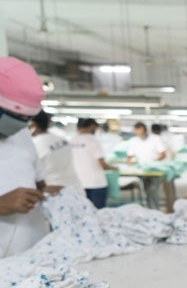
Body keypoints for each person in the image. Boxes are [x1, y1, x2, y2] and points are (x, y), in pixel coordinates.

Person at [0, 56, 59, 257]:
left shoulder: (21, 134)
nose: (20, 125)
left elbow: (38, 182)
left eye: (26, 119)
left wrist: (50, 194)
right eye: (13, 117)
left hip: (32, 256)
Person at [29, 110, 82, 190]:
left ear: (33, 125)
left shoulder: (35, 145)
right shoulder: (62, 139)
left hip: (53, 192)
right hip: (75, 188)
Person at [71, 118, 114, 208]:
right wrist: (115, 168)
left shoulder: (71, 141)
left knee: (82, 212)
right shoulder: (93, 141)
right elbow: (102, 163)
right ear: (92, 126)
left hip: (78, 183)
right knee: (98, 213)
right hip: (96, 183)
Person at [127, 122, 166, 209]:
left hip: (154, 170)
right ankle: (149, 209)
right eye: (137, 132)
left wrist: (153, 162)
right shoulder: (134, 141)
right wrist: (131, 163)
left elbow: (163, 154)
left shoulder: (155, 139)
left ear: (145, 130)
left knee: (153, 190)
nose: (139, 134)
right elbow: (129, 156)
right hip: (142, 171)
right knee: (146, 190)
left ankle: (155, 210)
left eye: (140, 132)